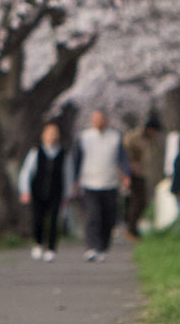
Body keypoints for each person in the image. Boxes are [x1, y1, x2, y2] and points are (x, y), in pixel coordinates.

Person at [71, 109, 129, 261]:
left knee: (108, 217)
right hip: (89, 182)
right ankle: (92, 247)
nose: (97, 122)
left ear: (106, 120)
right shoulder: (84, 137)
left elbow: (122, 158)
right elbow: (77, 160)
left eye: (100, 119)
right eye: (94, 119)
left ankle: (103, 247)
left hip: (110, 182)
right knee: (93, 215)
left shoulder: (115, 137)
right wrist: (74, 180)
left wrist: (126, 175)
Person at [18, 122, 69, 261]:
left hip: (56, 192)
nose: (52, 136)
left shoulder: (63, 154)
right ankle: (38, 243)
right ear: (44, 136)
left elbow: (67, 175)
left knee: (53, 220)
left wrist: (67, 194)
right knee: (37, 219)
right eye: (49, 133)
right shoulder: (36, 152)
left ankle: (51, 248)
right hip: (38, 192)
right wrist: (25, 191)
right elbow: (26, 173)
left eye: (54, 133)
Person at [122, 112, 163, 238]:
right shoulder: (134, 137)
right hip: (131, 173)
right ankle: (131, 228)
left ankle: (133, 227)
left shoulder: (151, 140)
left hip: (142, 173)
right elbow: (124, 150)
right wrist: (131, 165)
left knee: (142, 201)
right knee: (136, 200)